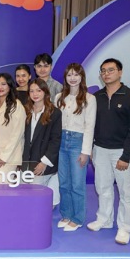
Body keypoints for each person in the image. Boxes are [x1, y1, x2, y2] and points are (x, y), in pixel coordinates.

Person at [87, 58, 130, 245]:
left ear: (120, 72)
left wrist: (126, 155)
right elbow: (91, 125)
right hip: (100, 150)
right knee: (102, 188)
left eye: (110, 70)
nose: (106, 74)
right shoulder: (96, 97)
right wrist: (91, 148)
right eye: (103, 71)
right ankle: (104, 219)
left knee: (126, 192)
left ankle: (126, 226)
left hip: (122, 152)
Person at [55, 63, 96, 231]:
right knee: (64, 182)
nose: (73, 78)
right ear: (65, 77)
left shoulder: (89, 98)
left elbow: (90, 126)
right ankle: (66, 214)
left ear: (82, 77)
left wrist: (85, 151)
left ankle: (77, 218)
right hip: (61, 141)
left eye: (76, 74)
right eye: (69, 75)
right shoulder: (59, 97)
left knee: (77, 184)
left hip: (77, 142)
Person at [23, 79, 62, 202]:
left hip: (41, 163)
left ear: (45, 92)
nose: (35, 94)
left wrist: (44, 162)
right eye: (31, 91)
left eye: (38, 90)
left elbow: (55, 140)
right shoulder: (25, 110)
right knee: (23, 197)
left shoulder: (54, 113)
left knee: (37, 199)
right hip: (25, 163)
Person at [0, 73, 26, 183]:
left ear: (10, 86)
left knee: (1, 187)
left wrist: (5, 156)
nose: (0, 87)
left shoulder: (16, 105)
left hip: (9, 157)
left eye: (3, 84)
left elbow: (17, 134)